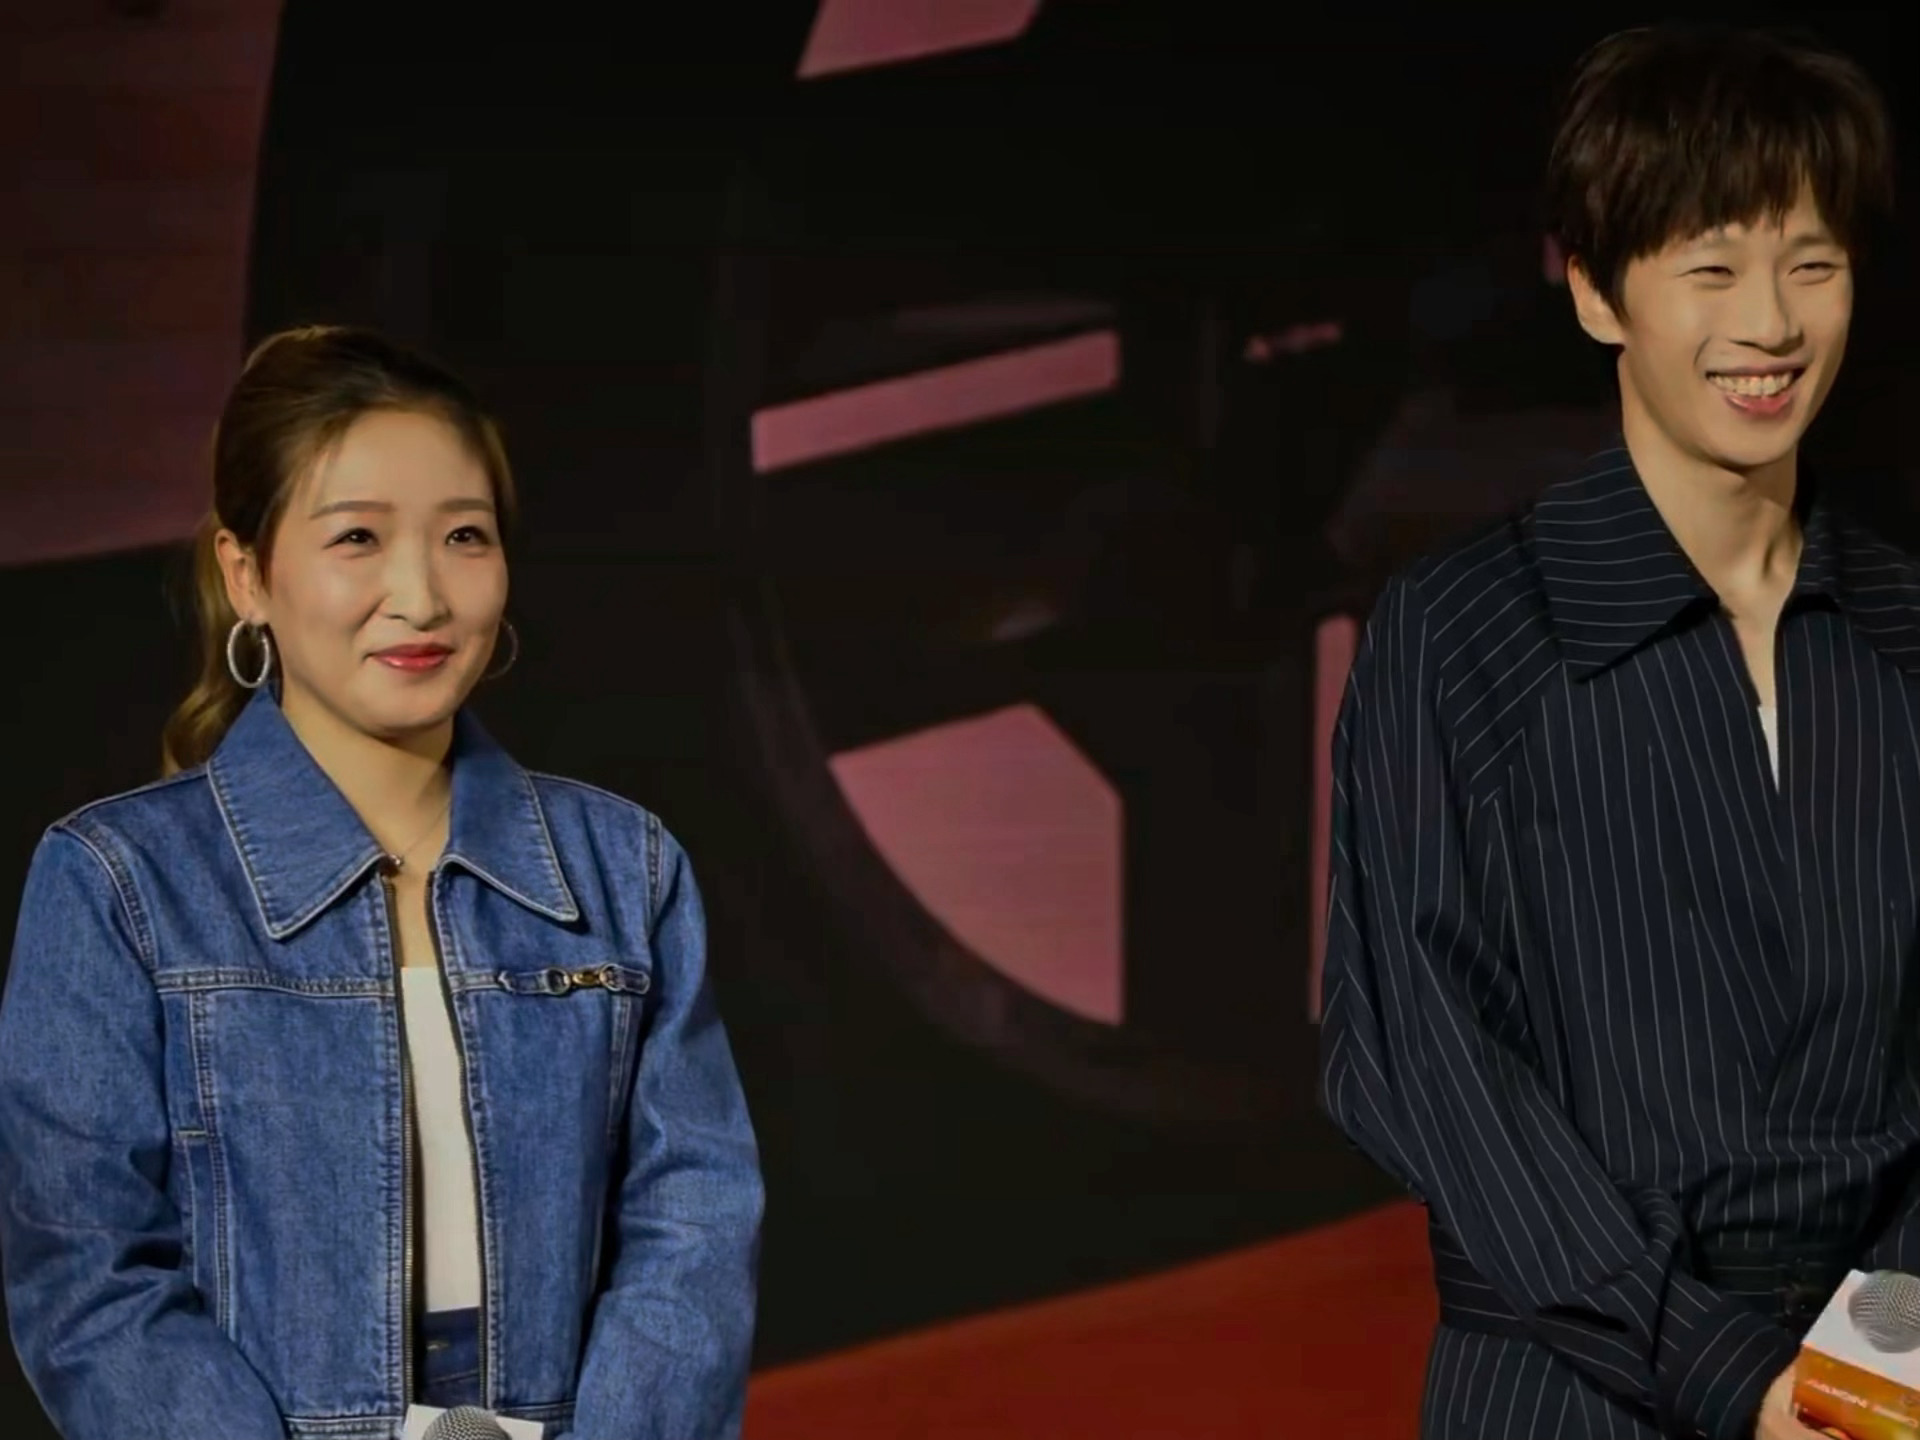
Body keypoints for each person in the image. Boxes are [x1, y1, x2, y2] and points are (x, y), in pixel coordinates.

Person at [0, 326, 764, 1439]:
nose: (421, 594)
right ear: (247, 573)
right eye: (357, 536)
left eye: (464, 536)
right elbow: (88, 1276)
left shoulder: (624, 867)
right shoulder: (119, 885)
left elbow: (694, 1225)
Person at [1317, 24, 1911, 1440]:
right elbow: (1418, 1055)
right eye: (1711, 269)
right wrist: (1726, 1372)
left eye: (1811, 264)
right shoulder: (1464, 632)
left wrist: (1865, 1369)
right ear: (1595, 290)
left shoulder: (1902, 627)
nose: (1769, 325)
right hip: (1568, 1385)